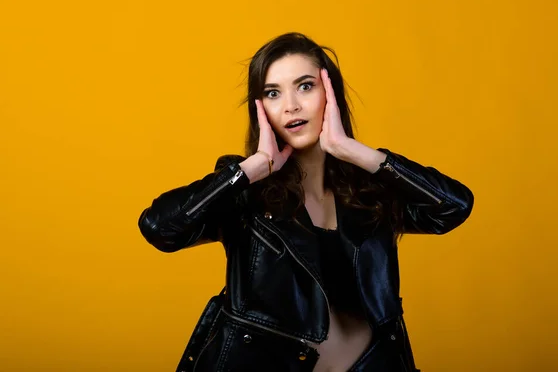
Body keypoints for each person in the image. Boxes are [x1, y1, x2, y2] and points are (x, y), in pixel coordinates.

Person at [138, 32, 474, 372]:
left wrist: (357, 153)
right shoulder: (245, 194)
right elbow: (160, 228)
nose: (291, 106)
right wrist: (251, 167)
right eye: (273, 93)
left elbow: (453, 207)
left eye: (305, 87)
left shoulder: (369, 192)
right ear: (261, 108)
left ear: (331, 95)